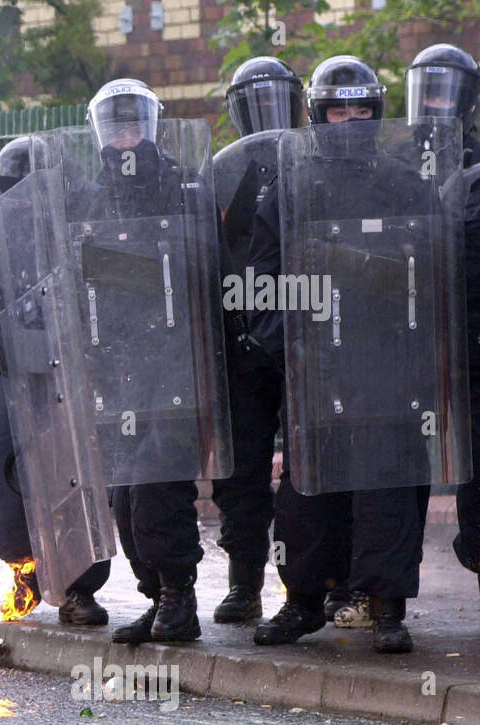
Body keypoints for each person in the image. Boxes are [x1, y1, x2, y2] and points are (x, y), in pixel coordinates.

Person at [247, 55, 445, 654]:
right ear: (317, 114)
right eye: (338, 110)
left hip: (387, 364)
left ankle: (386, 606)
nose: (350, 121)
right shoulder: (291, 188)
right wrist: (290, 339)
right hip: (318, 365)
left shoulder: (406, 185)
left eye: (363, 111)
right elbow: (261, 279)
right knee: (308, 493)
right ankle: (304, 601)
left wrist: (418, 345)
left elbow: (432, 276)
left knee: (387, 490)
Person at [74, 79, 227, 646]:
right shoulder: (92, 200)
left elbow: (209, 272)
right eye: (115, 128)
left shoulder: (184, 188)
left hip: (175, 360)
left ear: (153, 127)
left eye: (134, 125)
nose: (126, 138)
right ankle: (156, 595)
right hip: (115, 367)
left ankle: (179, 598)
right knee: (126, 494)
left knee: (160, 483)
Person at [0, 135, 111, 624]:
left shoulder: (89, 213)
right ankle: (24, 567)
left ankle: (80, 589)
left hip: (78, 362)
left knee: (73, 471)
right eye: (16, 189)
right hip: (18, 363)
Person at [209, 57, 301, 624]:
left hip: (306, 339)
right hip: (243, 341)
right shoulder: (222, 174)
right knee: (240, 470)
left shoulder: (318, 161)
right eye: (255, 101)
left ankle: (322, 582)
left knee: (312, 467)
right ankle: (245, 581)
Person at [407, 45, 480, 585]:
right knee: (398, 473)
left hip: (468, 345)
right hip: (402, 344)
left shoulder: (474, 167)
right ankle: (378, 591)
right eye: (427, 93)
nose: (435, 106)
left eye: (446, 94)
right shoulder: (388, 164)